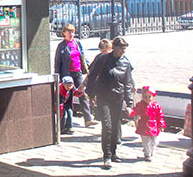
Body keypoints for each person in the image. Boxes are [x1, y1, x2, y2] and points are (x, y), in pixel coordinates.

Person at [84, 36, 135, 169]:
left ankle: (113, 152)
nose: (122, 52)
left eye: (124, 50)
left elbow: (128, 84)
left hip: (117, 97)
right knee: (107, 125)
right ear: (114, 47)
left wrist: (130, 104)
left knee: (114, 126)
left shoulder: (126, 63)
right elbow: (92, 75)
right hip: (103, 95)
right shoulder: (103, 59)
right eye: (120, 49)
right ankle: (106, 155)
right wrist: (91, 95)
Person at [54, 24, 98, 128]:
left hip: (77, 72)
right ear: (64, 33)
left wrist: (89, 67)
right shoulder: (61, 46)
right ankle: (67, 123)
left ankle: (88, 118)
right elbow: (57, 62)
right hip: (67, 74)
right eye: (69, 32)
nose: (71, 34)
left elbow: (82, 55)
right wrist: (58, 77)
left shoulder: (77, 43)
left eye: (72, 32)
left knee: (81, 94)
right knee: (68, 97)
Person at [129, 86, 166, 161]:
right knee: (146, 141)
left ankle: (150, 150)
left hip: (154, 126)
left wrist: (161, 125)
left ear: (153, 97)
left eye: (149, 97)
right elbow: (136, 111)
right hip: (144, 126)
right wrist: (131, 112)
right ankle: (147, 154)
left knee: (155, 141)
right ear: (142, 97)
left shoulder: (156, 106)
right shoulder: (140, 105)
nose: (147, 99)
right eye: (145, 97)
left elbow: (160, 116)